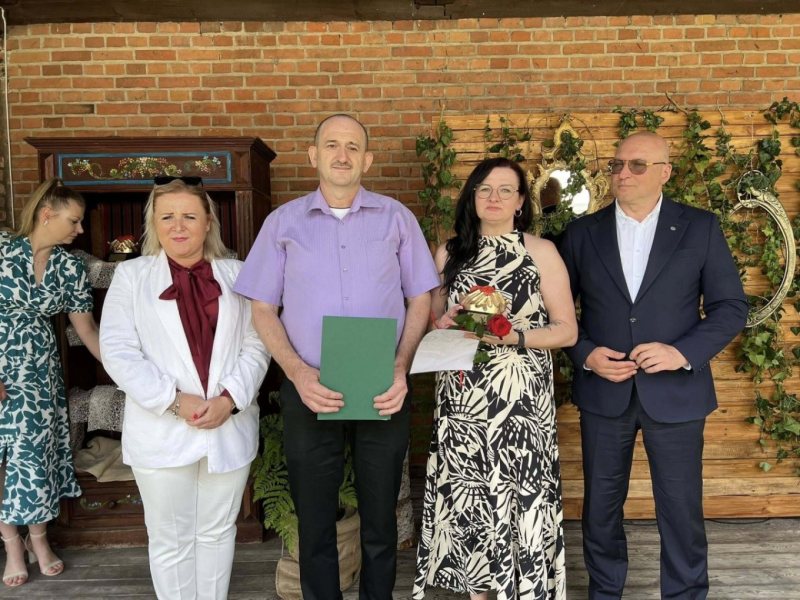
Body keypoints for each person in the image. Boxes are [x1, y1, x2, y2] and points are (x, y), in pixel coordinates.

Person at [234, 113, 439, 600]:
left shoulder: (397, 218)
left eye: (352, 146)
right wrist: (298, 373)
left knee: (380, 518)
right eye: (331, 145)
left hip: (382, 385)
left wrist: (400, 367)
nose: (342, 155)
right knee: (314, 517)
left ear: (367, 159)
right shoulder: (282, 223)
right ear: (314, 155)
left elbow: (421, 299)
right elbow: (262, 308)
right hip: (309, 385)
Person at [559, 131, 748, 599]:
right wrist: (586, 354)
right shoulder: (582, 233)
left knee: (681, 509)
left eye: (637, 165)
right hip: (605, 392)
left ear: (665, 172)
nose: (623, 173)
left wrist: (681, 353)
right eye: (617, 164)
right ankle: (605, 592)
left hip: (677, 393)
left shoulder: (699, 227)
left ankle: (685, 594)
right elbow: (556, 312)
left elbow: (729, 307)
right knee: (601, 509)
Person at [413, 157, 578, 600]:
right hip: (463, 398)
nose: (494, 197)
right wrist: (444, 320)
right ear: (471, 196)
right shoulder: (448, 253)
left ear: (521, 201)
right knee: (471, 496)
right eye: (484, 189)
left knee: (517, 492)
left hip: (520, 400)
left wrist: (513, 336)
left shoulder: (541, 252)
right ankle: (479, 591)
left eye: (506, 190)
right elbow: (433, 322)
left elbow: (567, 330)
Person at [99, 176, 270, 600]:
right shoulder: (132, 277)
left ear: (208, 221)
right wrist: (174, 401)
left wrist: (230, 399)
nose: (178, 226)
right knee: (169, 539)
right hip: (162, 429)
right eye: (167, 217)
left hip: (227, 427)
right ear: (153, 224)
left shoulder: (239, 274)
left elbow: (258, 343)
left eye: (189, 216)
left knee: (217, 532)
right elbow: (118, 352)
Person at [0, 178, 101, 587]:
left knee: (34, 459)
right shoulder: (2, 250)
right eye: (74, 221)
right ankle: (12, 545)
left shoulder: (70, 267)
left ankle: (38, 540)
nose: (80, 229)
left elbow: (88, 330)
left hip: (39, 374)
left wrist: (129, 372)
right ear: (47, 214)